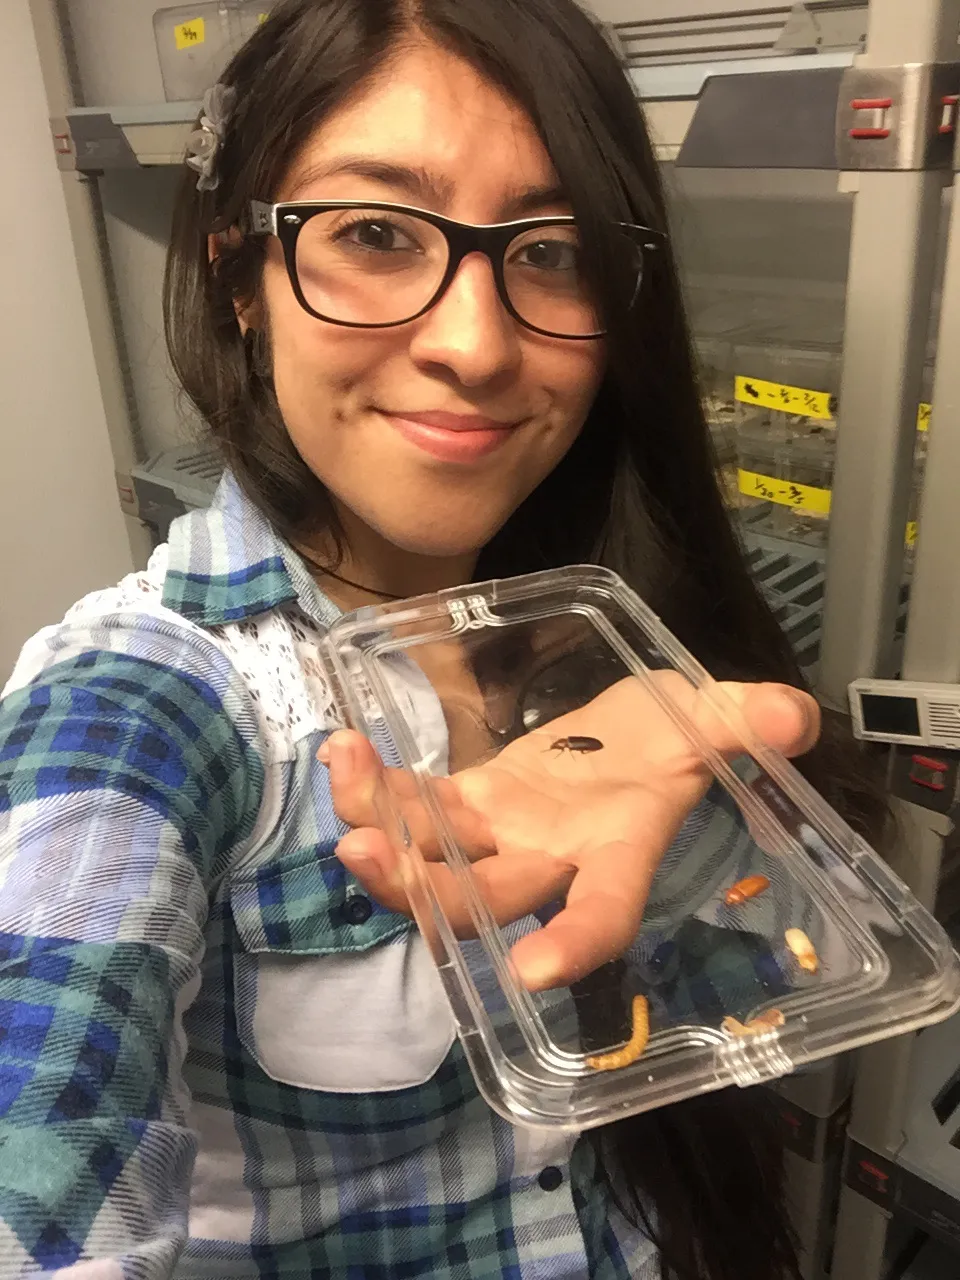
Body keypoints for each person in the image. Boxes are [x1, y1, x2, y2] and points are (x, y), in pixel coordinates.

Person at [0, 0, 884, 1276]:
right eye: (371, 233)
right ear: (237, 274)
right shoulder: (139, 710)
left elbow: (754, 1025)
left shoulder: (607, 631)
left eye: (556, 251)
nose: (475, 344)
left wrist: (714, 828)